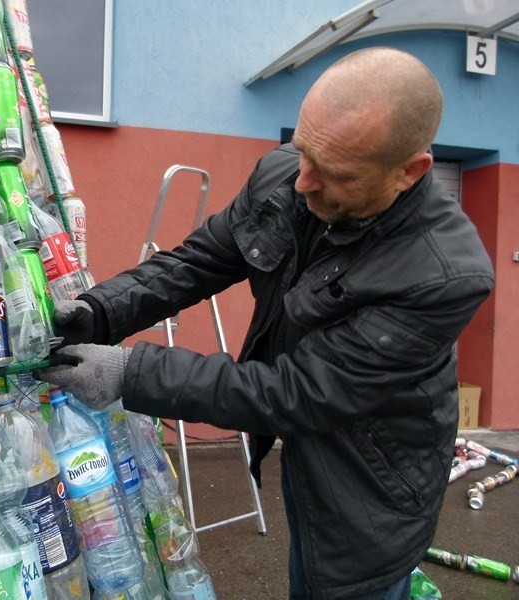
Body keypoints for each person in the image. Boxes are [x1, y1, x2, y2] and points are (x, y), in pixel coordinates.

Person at [39, 47, 495, 600]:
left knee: (343, 584)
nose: (303, 182)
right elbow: (198, 261)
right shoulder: (289, 175)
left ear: (410, 172)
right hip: (304, 437)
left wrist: (129, 372)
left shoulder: (442, 274)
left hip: (373, 477)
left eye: (333, 174)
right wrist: (102, 310)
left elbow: (300, 392)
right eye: (303, 151)